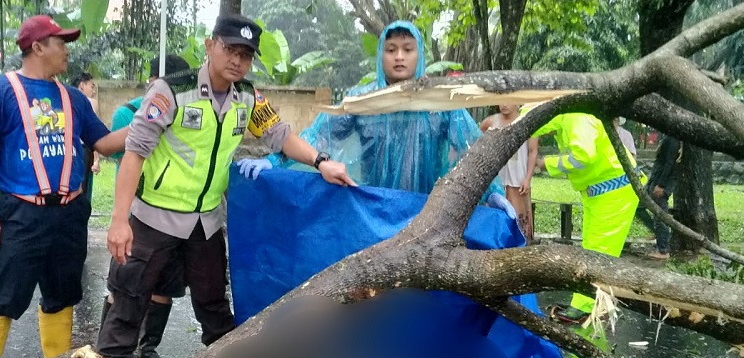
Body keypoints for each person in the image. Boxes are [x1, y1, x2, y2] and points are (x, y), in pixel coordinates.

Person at [96, 14, 355, 358]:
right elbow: (135, 152)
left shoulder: (246, 98)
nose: (237, 61)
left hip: (205, 224)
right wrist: (118, 220)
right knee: (128, 303)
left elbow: (280, 135)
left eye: (245, 55)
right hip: (153, 220)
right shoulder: (172, 91)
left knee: (215, 307)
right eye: (229, 49)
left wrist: (321, 161)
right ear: (209, 46)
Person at [0, 15, 126, 358]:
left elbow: (103, 144)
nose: (67, 50)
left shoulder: (73, 98)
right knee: (4, 297)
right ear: (37, 47)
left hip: (70, 213)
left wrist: (150, 123)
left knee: (62, 294)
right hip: (21, 213)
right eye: (60, 42)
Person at [236, 20, 514, 219]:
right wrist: (272, 163)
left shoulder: (441, 104)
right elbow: (316, 139)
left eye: (407, 49)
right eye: (391, 49)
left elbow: (474, 150)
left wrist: (493, 191)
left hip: (427, 213)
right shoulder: (362, 102)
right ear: (381, 54)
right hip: (373, 213)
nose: (399, 57)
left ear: (420, 54)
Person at [100, 54, 191, 358]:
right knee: (125, 285)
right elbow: (111, 149)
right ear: (153, 81)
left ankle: (146, 350)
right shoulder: (129, 113)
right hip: (137, 212)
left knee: (164, 285)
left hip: (177, 215)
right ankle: (109, 354)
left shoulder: (190, 110)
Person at [528, 111, 641, 323]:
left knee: (598, 254)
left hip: (614, 193)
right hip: (600, 193)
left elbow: (582, 157)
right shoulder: (565, 121)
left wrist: (546, 164)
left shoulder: (575, 118)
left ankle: (586, 306)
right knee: (591, 250)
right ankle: (591, 304)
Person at [480, 105, 539, 241]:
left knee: (519, 220)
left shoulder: (527, 122)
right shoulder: (490, 122)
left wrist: (528, 178)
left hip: (518, 181)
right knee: (496, 217)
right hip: (497, 181)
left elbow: (532, 151)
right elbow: (477, 138)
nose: (505, 104)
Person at [635, 136, 682, 260]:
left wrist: (661, 185)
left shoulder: (673, 140)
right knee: (638, 206)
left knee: (660, 215)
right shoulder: (668, 137)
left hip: (661, 182)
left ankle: (663, 250)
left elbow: (670, 164)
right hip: (654, 178)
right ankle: (657, 233)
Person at [71, 72, 101, 201]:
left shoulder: (65, 100)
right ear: (82, 86)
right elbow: (95, 132)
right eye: (91, 86)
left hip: (67, 149)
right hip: (83, 150)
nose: (93, 91)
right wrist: (97, 159)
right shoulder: (90, 102)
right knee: (83, 191)